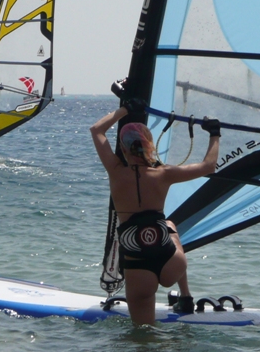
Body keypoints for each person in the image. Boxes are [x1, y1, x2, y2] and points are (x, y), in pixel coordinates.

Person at [90, 100, 220, 326]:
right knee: (169, 225)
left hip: (138, 267)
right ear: (150, 145)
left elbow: (96, 130)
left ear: (123, 148)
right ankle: (185, 296)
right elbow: (209, 166)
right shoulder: (164, 173)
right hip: (172, 265)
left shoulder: (115, 170)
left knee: (144, 333)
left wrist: (125, 110)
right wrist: (214, 134)